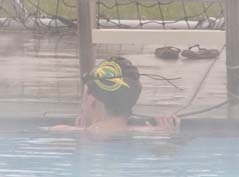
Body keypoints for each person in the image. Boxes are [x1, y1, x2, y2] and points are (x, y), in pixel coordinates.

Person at [48, 56, 178, 137]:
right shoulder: (151, 133)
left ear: (91, 99)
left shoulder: (62, 132)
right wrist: (166, 134)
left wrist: (83, 135)